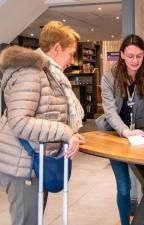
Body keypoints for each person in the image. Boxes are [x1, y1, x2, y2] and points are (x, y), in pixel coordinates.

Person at [0, 21, 85, 225]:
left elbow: (49, 113)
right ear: (57, 48)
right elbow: (19, 122)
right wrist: (65, 131)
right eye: (70, 53)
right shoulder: (32, 72)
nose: (72, 60)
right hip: (22, 165)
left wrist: (71, 132)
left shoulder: (50, 73)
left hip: (34, 162)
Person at [96, 34, 144, 225]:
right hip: (116, 134)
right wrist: (126, 132)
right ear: (122, 54)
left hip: (141, 133)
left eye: (139, 56)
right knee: (124, 187)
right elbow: (109, 112)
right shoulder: (109, 78)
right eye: (130, 56)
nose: (135, 61)